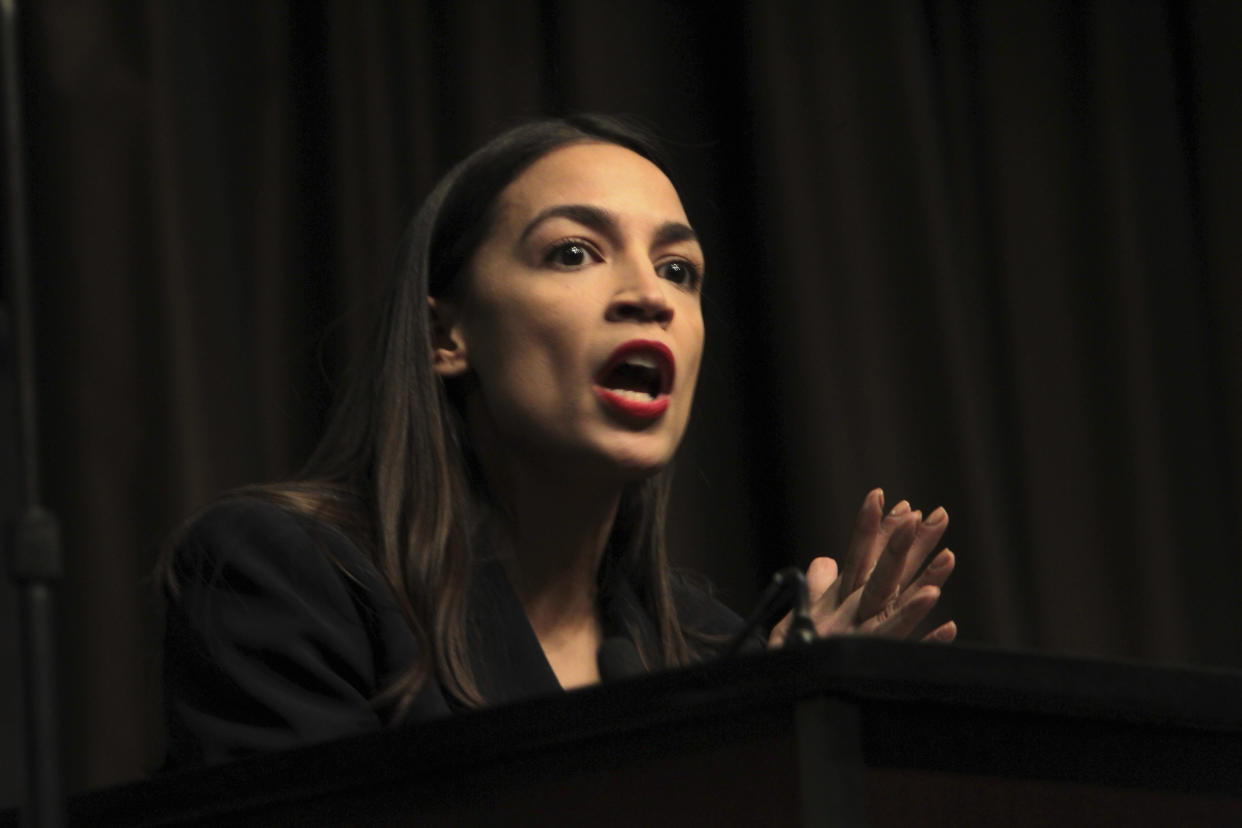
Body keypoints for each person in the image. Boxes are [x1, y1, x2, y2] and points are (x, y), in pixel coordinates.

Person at [160, 114, 956, 769]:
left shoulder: (709, 647)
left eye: (679, 269)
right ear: (446, 334)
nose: (650, 295)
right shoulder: (286, 576)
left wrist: (784, 738)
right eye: (574, 253)